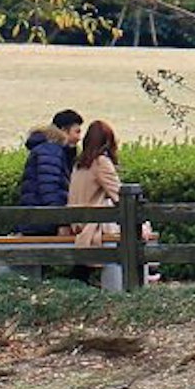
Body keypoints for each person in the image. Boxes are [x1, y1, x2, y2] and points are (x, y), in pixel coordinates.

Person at [62, 118, 158, 282]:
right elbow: (119, 195)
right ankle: (148, 273)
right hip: (93, 224)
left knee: (138, 227)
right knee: (143, 228)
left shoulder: (80, 163)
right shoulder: (100, 162)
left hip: (77, 223)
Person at [17, 109, 82, 214]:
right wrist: (60, 220)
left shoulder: (53, 150)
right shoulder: (50, 151)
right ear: (64, 130)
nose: (79, 138)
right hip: (42, 220)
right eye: (77, 132)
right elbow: (50, 189)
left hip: (37, 217)